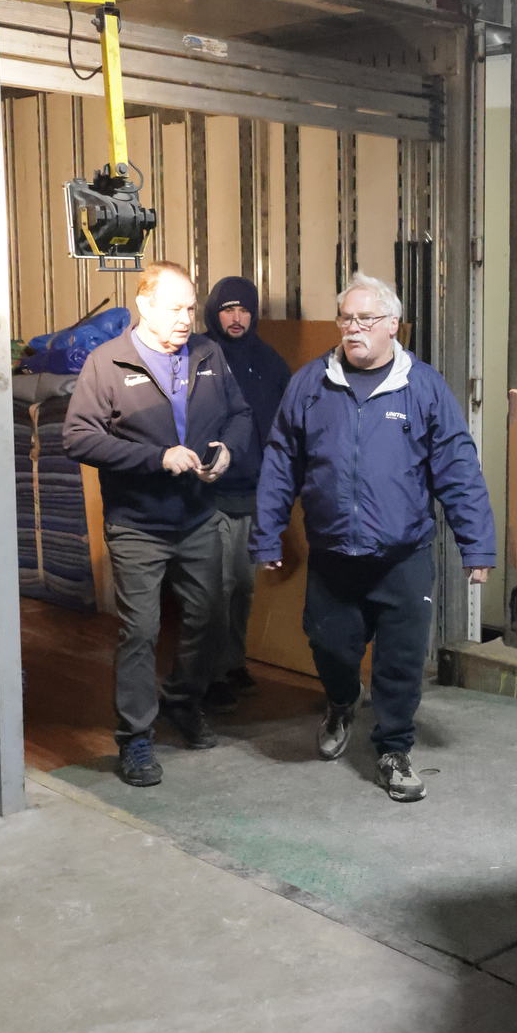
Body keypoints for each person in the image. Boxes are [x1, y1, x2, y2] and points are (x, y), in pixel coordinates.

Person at [253, 272, 496, 802]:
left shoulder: (423, 387)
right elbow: (281, 461)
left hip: (403, 556)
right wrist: (267, 534)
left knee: (400, 661)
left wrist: (476, 544)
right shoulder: (311, 384)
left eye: (366, 319)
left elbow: (458, 468)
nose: (353, 328)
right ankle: (343, 701)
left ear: (393, 325)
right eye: (346, 318)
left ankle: (394, 748)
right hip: (334, 554)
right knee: (329, 644)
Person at [63, 260, 252, 788]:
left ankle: (183, 700)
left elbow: (239, 414)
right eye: (175, 309)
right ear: (144, 305)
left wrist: (227, 451)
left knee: (209, 617)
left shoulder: (208, 354)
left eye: (191, 308)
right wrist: (156, 458)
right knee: (141, 631)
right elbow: (78, 437)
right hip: (137, 524)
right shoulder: (107, 362)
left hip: (198, 515)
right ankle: (135, 737)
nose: (186, 319)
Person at [201, 276, 292, 710]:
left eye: (244, 310)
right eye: (227, 310)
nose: (236, 318)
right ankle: (209, 674)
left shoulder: (269, 362)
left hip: (255, 492)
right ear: (213, 313)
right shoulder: (198, 356)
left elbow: (287, 426)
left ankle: (232, 662)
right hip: (208, 492)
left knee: (242, 585)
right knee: (214, 588)